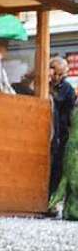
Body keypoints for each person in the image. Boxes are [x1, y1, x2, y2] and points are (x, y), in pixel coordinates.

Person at [49, 56, 76, 198]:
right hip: (49, 130)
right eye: (56, 72)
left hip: (60, 134)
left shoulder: (67, 89)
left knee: (56, 167)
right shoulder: (45, 84)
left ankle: (51, 199)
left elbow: (68, 113)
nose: (58, 77)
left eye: (61, 74)